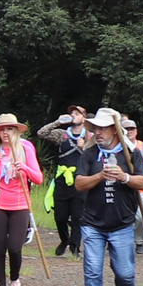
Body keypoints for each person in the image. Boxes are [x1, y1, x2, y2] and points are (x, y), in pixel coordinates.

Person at [71, 107, 143, 286]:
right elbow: (79, 184)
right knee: (92, 271)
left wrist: (124, 177)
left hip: (122, 223)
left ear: (115, 130)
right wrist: (99, 176)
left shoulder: (130, 154)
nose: (98, 132)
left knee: (125, 273)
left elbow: (142, 182)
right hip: (92, 223)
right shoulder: (89, 154)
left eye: (103, 128)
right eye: (95, 128)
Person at [0, 112, 45, 286]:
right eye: (2, 129)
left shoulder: (26, 147)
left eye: (9, 129)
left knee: (14, 247)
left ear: (17, 131)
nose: (5, 133)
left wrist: (24, 168)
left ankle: (14, 280)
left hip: (20, 203)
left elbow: (38, 178)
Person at [43, 103, 91, 255]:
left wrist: (85, 147)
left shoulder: (90, 136)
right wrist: (58, 122)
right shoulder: (62, 135)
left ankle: (75, 247)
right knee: (60, 217)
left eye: (77, 114)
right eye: (72, 114)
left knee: (77, 217)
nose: (73, 116)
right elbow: (42, 133)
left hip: (80, 180)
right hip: (62, 180)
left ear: (84, 118)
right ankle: (65, 240)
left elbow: (97, 154)